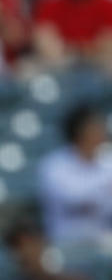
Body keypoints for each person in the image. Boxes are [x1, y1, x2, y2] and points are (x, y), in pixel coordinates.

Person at [37, 104, 112, 247]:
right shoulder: (54, 165)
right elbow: (74, 200)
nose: (101, 132)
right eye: (95, 127)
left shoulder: (108, 160)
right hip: (66, 242)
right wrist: (104, 190)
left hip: (104, 240)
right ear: (80, 131)